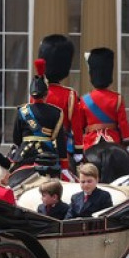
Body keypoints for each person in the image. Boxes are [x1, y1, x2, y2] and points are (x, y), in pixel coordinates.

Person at [36, 34, 83, 174]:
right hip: (62, 146)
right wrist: (79, 151)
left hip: (37, 144)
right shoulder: (69, 94)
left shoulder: (36, 93)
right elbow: (76, 126)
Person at [13, 58, 67, 167]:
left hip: (24, 155)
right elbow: (60, 140)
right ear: (46, 94)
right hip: (47, 154)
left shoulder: (22, 111)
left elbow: (16, 138)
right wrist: (64, 162)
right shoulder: (56, 112)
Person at [79, 47, 129, 152]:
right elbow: (123, 123)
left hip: (91, 141)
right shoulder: (117, 98)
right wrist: (127, 141)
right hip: (113, 140)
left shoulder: (84, 100)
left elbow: (80, 125)